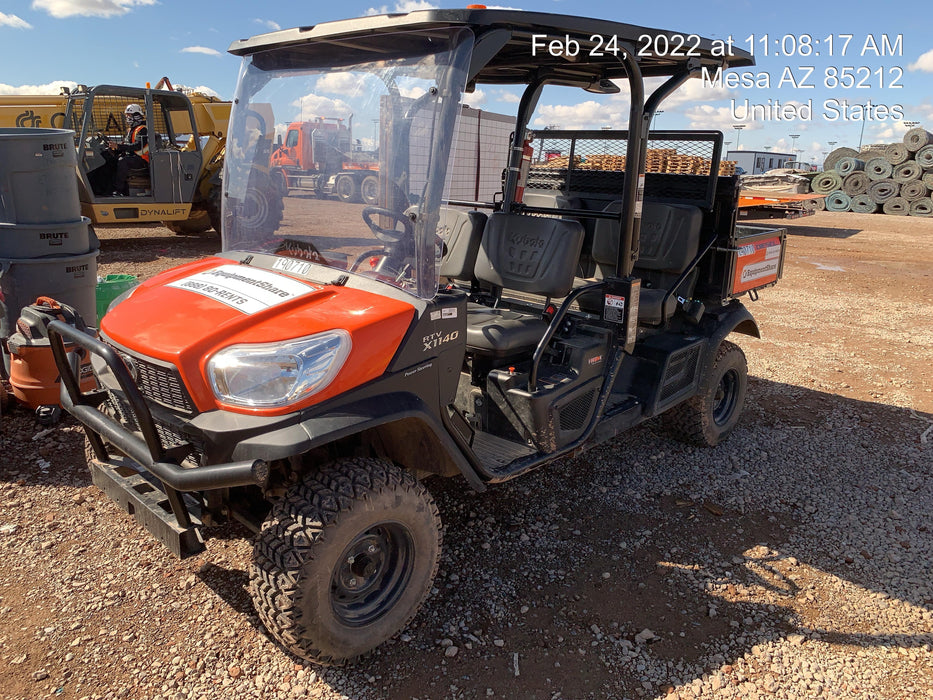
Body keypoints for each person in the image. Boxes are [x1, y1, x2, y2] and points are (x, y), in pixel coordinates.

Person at [111, 103, 149, 195]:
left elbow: (137, 146)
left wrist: (119, 147)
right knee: (112, 160)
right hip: (133, 157)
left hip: (142, 160)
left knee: (123, 161)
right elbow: (127, 144)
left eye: (129, 115)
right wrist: (116, 147)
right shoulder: (131, 130)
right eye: (127, 115)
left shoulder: (143, 129)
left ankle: (119, 191)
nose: (127, 117)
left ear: (136, 116)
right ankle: (111, 188)